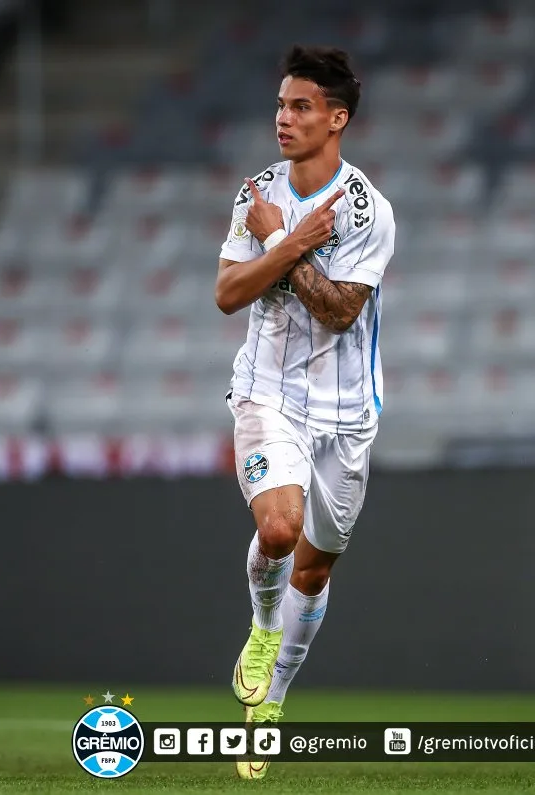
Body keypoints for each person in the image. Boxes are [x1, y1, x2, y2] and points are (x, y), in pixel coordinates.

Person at [213, 45, 396, 780]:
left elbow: (341, 314)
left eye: (299, 107)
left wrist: (279, 250)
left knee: (314, 573)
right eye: (281, 104)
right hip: (269, 394)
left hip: (347, 415)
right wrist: (286, 240)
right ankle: (262, 630)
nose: (282, 119)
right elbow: (229, 294)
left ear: (336, 118)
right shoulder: (256, 193)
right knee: (279, 529)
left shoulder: (366, 210)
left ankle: (273, 702)